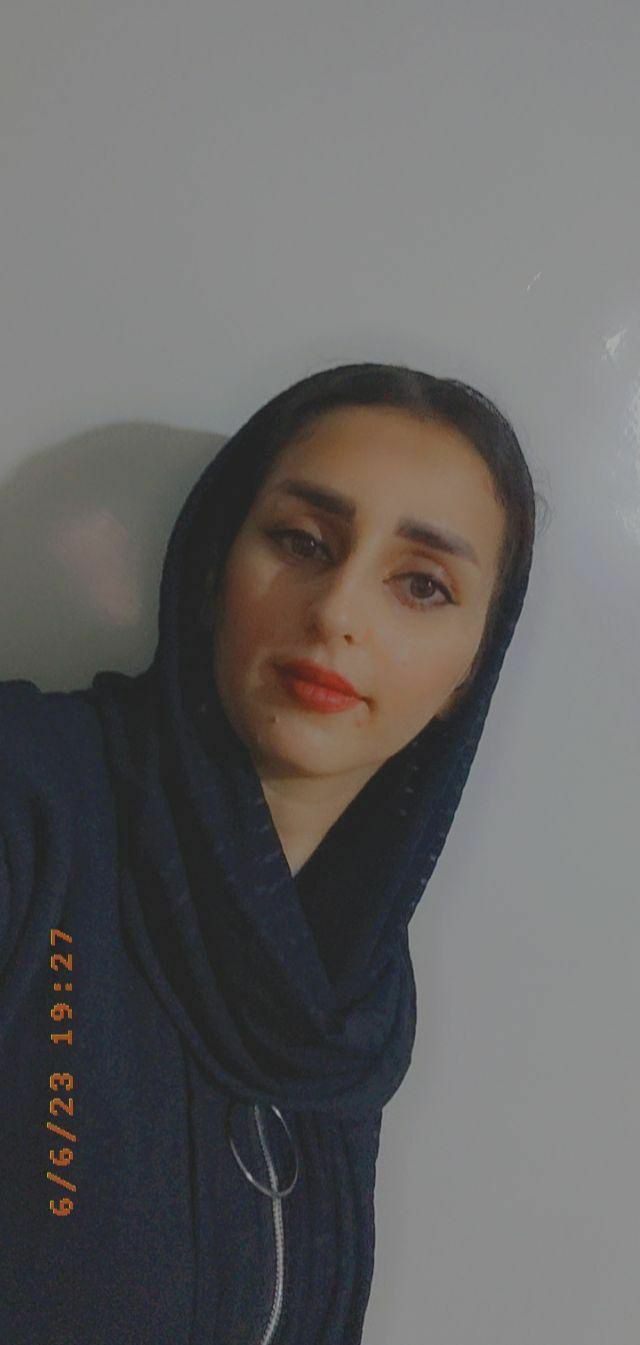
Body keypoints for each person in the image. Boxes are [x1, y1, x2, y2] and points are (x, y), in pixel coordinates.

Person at [0, 362, 539, 1344]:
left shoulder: (356, 987)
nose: (337, 610)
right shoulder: (30, 805)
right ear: (214, 566)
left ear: (471, 670)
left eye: (421, 584)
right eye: (301, 541)